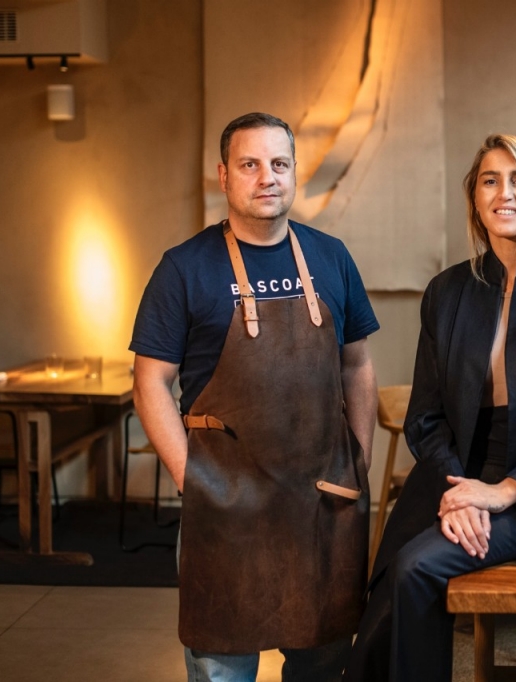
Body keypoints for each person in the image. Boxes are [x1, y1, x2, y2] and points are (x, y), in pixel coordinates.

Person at [343, 133, 516, 682]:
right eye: (491, 181)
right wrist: (463, 492)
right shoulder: (447, 292)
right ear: (475, 197)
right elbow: (425, 418)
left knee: (414, 569)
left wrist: (500, 494)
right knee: (380, 592)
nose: (506, 194)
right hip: (456, 477)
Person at [130, 112, 380, 682]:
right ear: (224, 176)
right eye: (250, 164)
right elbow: (149, 384)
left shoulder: (331, 257)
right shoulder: (183, 268)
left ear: (294, 175)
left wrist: (359, 459)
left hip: (322, 505)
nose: (267, 177)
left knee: (323, 664)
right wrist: (187, 474)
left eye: (280, 164)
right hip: (225, 511)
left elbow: (358, 365)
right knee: (222, 669)